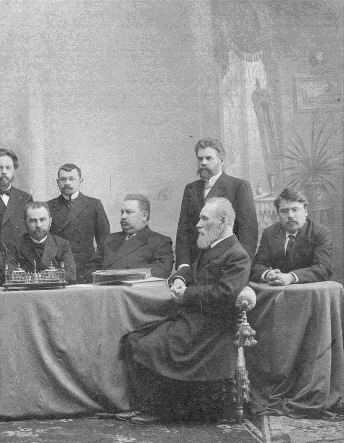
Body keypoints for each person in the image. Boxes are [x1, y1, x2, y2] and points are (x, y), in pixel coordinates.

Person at [120, 197, 251, 423]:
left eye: (204, 219)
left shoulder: (237, 255)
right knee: (133, 339)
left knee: (147, 346)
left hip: (212, 328)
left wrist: (187, 295)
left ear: (222, 222)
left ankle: (158, 411)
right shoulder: (214, 246)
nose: (198, 225)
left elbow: (225, 294)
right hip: (193, 319)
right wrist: (180, 278)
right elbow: (194, 271)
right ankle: (146, 406)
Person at [175, 138, 258, 271]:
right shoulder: (191, 189)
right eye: (200, 158)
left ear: (222, 160)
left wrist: (241, 268)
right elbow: (183, 231)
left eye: (209, 158)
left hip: (226, 266)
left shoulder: (238, 186)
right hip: (195, 267)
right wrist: (183, 265)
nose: (203, 162)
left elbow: (248, 233)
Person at [251, 188, 332, 285]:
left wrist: (291, 277)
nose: (290, 215)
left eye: (295, 210)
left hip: (308, 288)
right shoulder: (270, 233)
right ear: (278, 214)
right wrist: (267, 274)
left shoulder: (320, 232)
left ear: (305, 211)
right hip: (279, 287)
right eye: (284, 211)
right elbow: (258, 265)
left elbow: (323, 268)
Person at [83, 194, 173, 280]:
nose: (123, 216)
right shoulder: (109, 239)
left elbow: (163, 270)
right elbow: (90, 269)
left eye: (129, 212)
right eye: (122, 212)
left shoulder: (160, 241)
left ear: (144, 216)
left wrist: (117, 273)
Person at [47, 163, 110, 283]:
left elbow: (104, 239)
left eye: (72, 179)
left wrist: (98, 266)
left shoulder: (93, 205)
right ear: (57, 182)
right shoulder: (48, 206)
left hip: (87, 266)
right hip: (59, 267)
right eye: (63, 179)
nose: (67, 183)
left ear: (80, 181)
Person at [6, 201, 77, 284]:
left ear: (50, 221)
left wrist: (39, 276)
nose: (38, 225)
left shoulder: (63, 244)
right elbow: (9, 274)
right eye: (33, 221)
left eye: (42, 220)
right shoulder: (14, 246)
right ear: (24, 223)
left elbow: (71, 275)